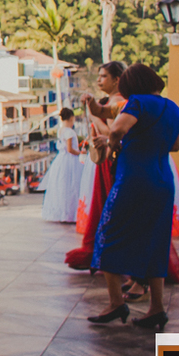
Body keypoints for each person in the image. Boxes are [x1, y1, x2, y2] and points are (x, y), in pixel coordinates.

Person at [89, 63, 179, 331]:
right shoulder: (173, 107)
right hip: (163, 179)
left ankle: (116, 302)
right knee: (156, 240)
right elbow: (174, 145)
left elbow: (117, 130)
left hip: (134, 178)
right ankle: (157, 308)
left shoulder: (137, 103)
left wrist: (112, 143)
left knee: (109, 233)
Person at [66, 61, 125, 270]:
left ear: (116, 80)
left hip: (110, 158)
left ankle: (108, 253)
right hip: (106, 157)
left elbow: (112, 133)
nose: (99, 80)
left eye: (103, 76)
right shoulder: (110, 100)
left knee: (109, 206)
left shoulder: (117, 101)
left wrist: (93, 115)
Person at [40, 108, 83, 222]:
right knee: (72, 185)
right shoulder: (69, 131)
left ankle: (63, 213)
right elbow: (70, 149)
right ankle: (70, 213)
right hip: (70, 160)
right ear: (71, 118)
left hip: (61, 160)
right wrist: (81, 153)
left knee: (63, 185)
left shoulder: (61, 130)